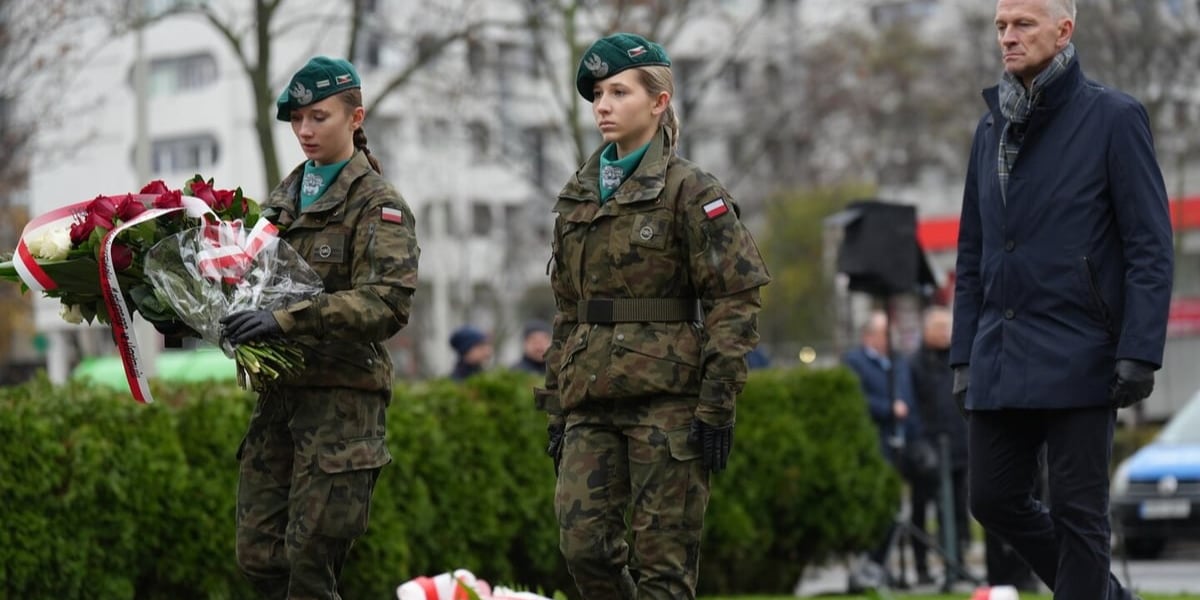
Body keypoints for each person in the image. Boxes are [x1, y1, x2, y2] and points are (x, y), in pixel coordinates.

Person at [534, 32, 770, 600]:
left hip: (668, 404)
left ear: (658, 102)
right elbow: (568, 309)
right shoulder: (577, 196)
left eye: (619, 91)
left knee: (664, 569)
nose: (604, 105)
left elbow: (734, 299)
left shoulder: (691, 191)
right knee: (584, 550)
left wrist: (717, 406)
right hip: (590, 401)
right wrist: (556, 404)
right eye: (597, 94)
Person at [951, 1, 1173, 598]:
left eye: (1023, 24)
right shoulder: (990, 124)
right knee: (992, 498)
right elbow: (973, 252)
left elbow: (1150, 245)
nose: (1008, 37)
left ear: (1063, 29)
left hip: (1083, 351)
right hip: (999, 348)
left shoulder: (1115, 117)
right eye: (1000, 26)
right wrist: (963, 355)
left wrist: (1140, 350)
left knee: (1080, 516)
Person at [218, 55, 420, 598]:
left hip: (342, 403)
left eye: (319, 117)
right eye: (297, 119)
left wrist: (285, 322)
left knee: (310, 565)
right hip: (280, 399)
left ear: (356, 117)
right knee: (259, 557)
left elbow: (387, 303)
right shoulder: (279, 204)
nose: (305, 130)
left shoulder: (377, 204)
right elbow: (247, 284)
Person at [842, 310, 923, 586]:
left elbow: (909, 397)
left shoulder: (899, 362)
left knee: (900, 509)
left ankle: (885, 566)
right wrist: (888, 409)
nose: (891, 339)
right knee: (880, 509)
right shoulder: (854, 362)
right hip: (875, 444)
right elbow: (857, 399)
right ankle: (872, 566)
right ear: (870, 335)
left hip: (902, 444)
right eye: (885, 333)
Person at [908, 305, 969, 585]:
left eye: (949, 327)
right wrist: (921, 442)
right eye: (940, 327)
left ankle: (956, 564)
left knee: (957, 510)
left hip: (959, 449)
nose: (946, 333)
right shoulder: (915, 363)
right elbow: (912, 405)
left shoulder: (959, 360)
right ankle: (922, 567)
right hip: (928, 451)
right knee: (922, 510)